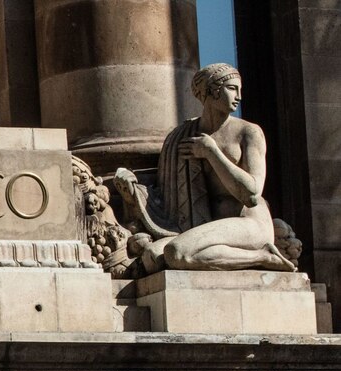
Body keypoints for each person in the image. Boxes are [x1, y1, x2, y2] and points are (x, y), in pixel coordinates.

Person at [119, 63, 294, 272]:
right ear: (211, 91)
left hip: (248, 223)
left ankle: (263, 256)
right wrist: (133, 186)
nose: (239, 96)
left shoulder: (248, 132)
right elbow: (168, 182)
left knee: (177, 253)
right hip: (204, 226)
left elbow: (252, 193)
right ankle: (254, 257)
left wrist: (212, 152)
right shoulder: (184, 134)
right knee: (151, 257)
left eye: (240, 89)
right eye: (232, 89)